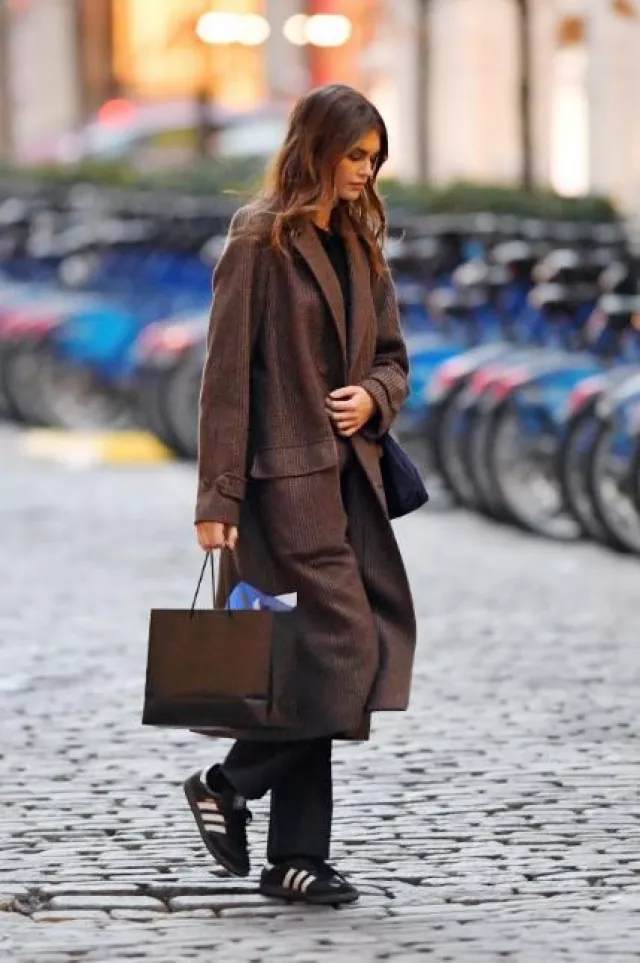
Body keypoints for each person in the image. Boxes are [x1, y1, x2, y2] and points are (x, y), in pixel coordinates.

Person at [184, 83, 417, 906]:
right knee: (341, 654)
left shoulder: (361, 241)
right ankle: (231, 780)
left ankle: (295, 857)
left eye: (374, 158)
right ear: (316, 149)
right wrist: (218, 499)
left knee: (305, 670)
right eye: (355, 155)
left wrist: (374, 398)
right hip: (278, 490)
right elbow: (224, 383)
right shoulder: (259, 241)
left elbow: (393, 357)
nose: (365, 171)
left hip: (350, 485)